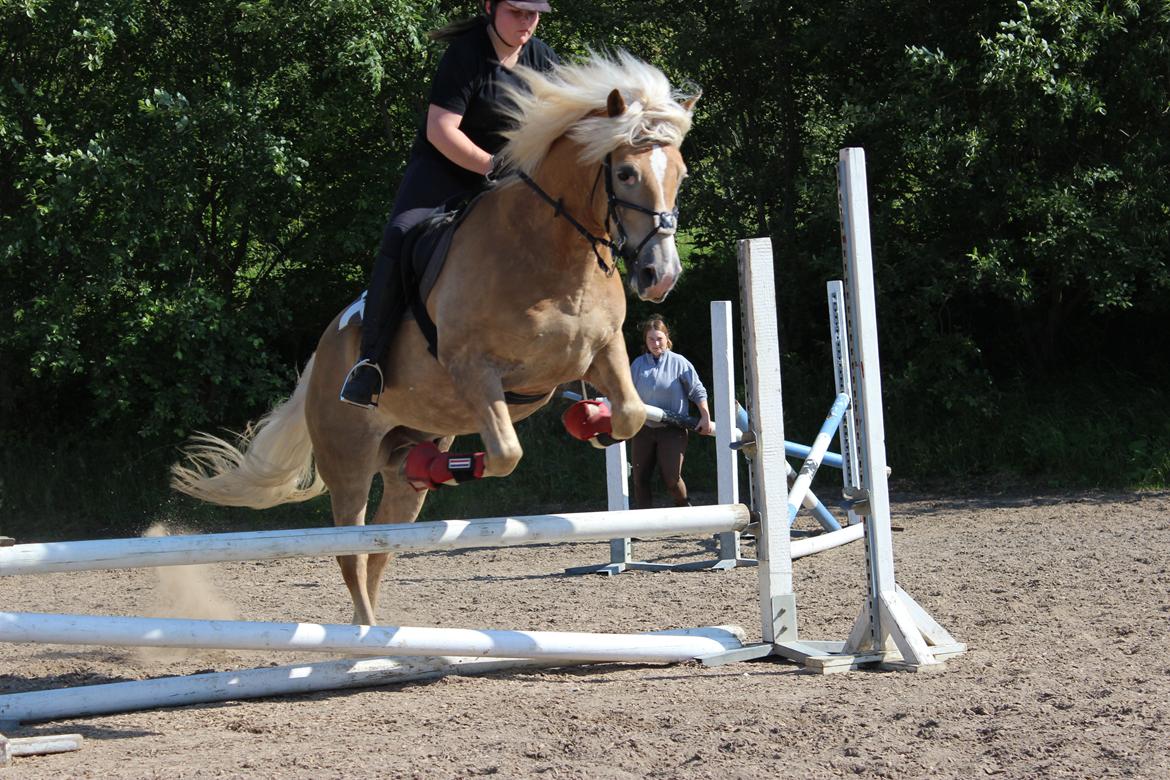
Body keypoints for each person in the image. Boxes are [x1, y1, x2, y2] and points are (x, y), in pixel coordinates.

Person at [340, 1, 560, 408]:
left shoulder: (543, 58)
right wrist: (493, 166)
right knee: (401, 233)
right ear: (490, 7)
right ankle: (370, 361)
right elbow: (441, 130)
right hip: (446, 173)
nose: (527, 22)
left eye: (534, 13)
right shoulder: (466, 53)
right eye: (517, 12)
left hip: (512, 182)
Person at [628, 316, 713, 509]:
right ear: (646, 341)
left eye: (659, 338)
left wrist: (705, 416)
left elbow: (697, 390)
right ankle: (642, 524)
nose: (656, 343)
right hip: (644, 428)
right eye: (651, 339)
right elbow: (628, 393)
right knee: (640, 478)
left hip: (673, 429)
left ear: (667, 338)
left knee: (672, 479)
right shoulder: (638, 365)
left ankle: (685, 510)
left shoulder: (679, 362)